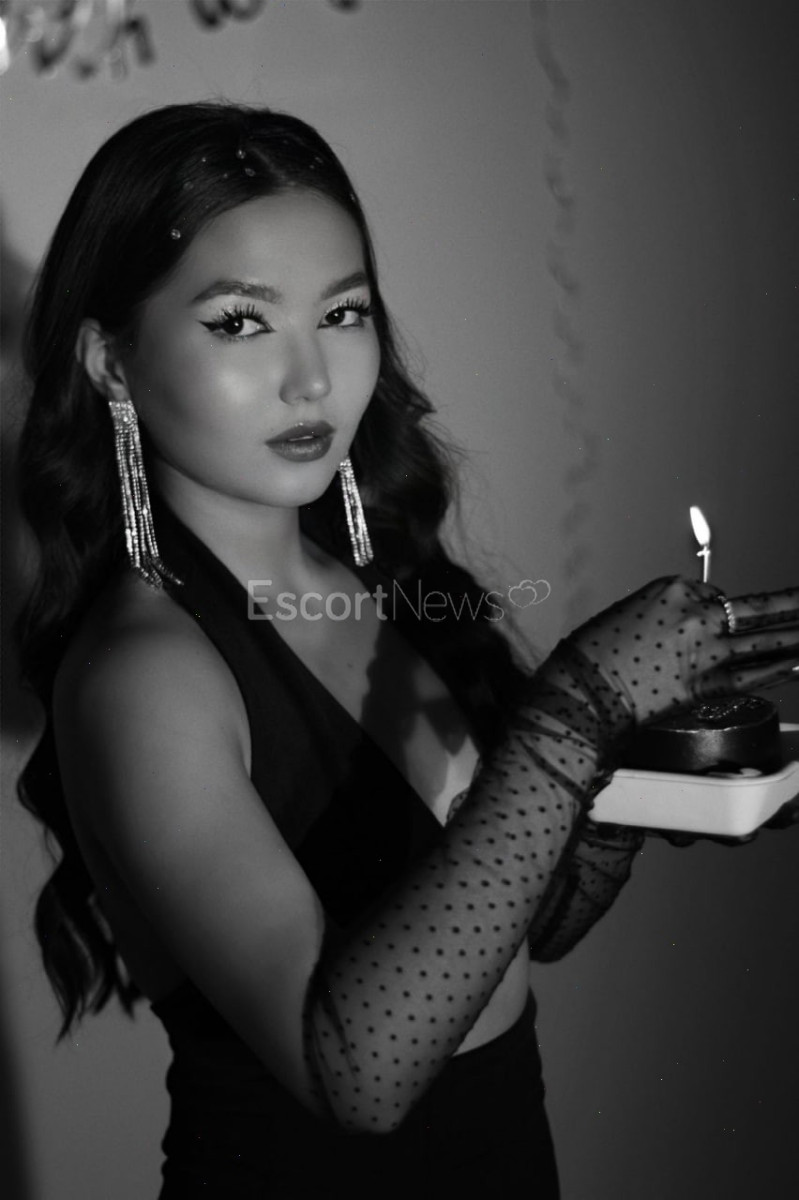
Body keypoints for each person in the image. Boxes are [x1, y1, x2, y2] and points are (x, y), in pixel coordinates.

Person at [15, 101, 799, 1198]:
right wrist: (575, 714)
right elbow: (358, 1073)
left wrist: (636, 771)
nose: (311, 379)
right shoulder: (148, 675)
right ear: (110, 360)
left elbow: (523, 930)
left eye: (342, 313)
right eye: (240, 322)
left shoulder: (375, 579)